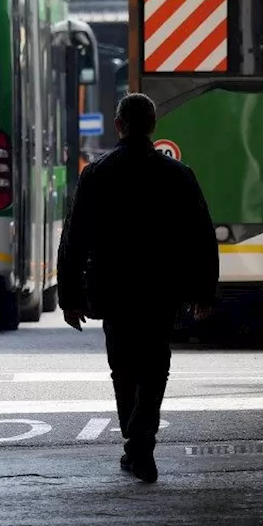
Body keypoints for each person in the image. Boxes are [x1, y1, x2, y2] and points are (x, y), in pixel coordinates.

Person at [56, 92, 218, 484]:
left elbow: (74, 239)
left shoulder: (96, 174)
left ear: (118, 126)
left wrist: (70, 297)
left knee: (123, 365)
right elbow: (201, 236)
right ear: (153, 126)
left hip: (113, 288)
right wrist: (203, 291)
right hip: (162, 288)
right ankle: (141, 441)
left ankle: (137, 440)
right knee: (156, 363)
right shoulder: (179, 174)